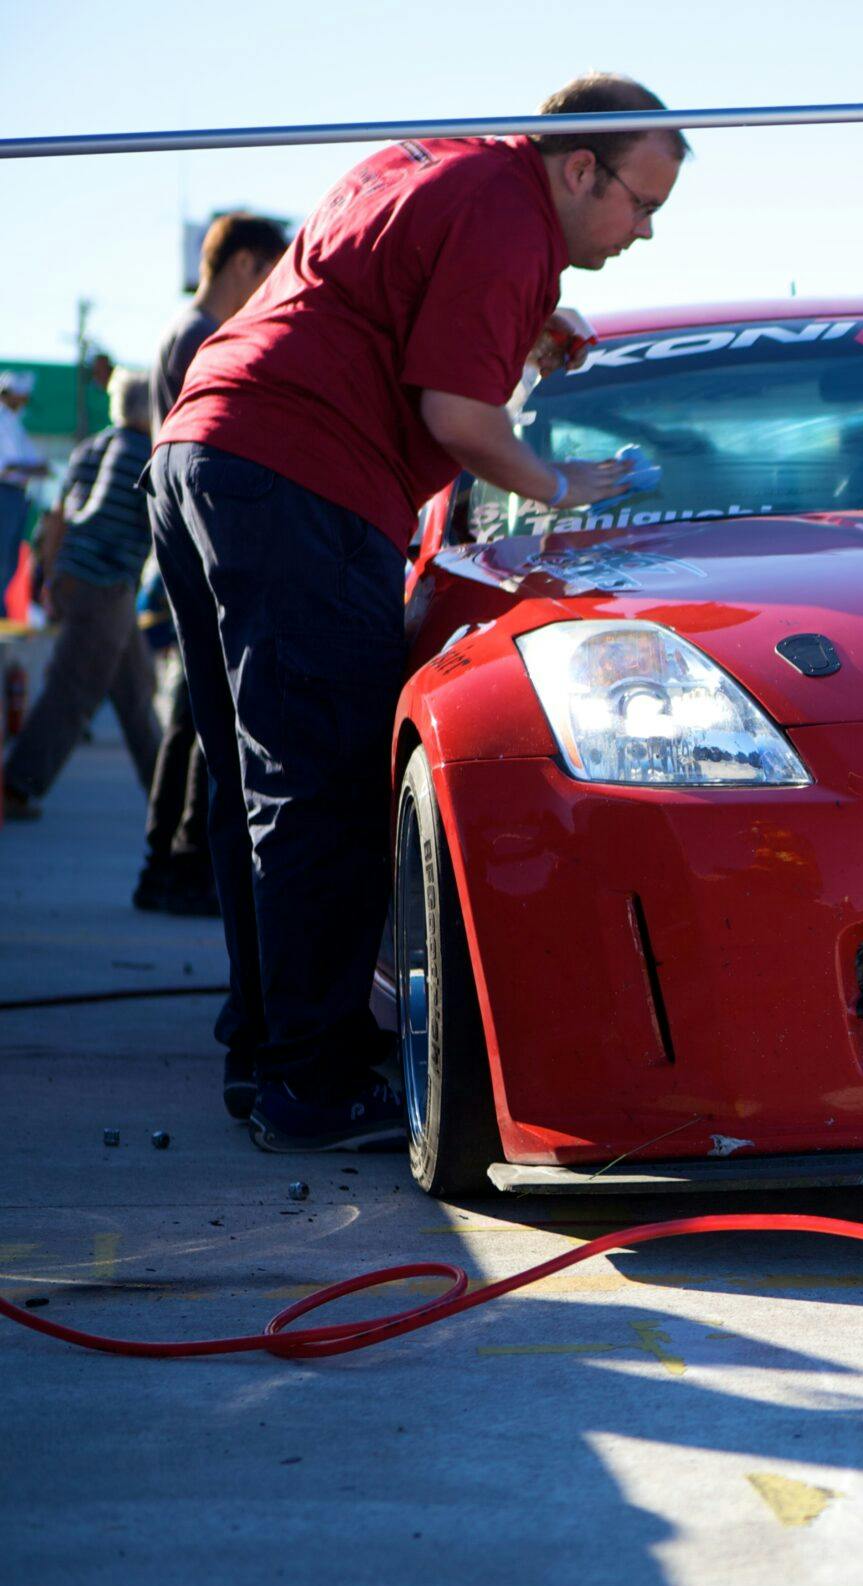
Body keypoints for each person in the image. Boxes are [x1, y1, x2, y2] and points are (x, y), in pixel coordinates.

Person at [148, 74, 682, 1152]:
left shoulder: (432, 160)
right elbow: (457, 416)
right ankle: (318, 1084)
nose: (645, 232)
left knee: (265, 785)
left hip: (203, 453)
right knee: (328, 789)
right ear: (581, 165)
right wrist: (559, 484)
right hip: (301, 475)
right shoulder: (510, 211)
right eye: (642, 202)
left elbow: (375, 305)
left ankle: (270, 1055)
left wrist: (517, 322)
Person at [135, 213, 290, 912]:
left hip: (177, 525)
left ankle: (165, 856)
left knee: (192, 710)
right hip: (204, 530)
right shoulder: (205, 336)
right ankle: (189, 857)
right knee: (216, 712)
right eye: (272, 274)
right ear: (246, 266)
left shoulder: (179, 329)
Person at [0, 370, 162, 814]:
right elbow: (145, 519)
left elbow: (56, 515)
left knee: (135, 694)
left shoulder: (92, 447)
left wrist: (53, 577)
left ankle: (169, 796)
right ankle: (16, 787)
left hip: (81, 579)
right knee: (73, 692)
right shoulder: (140, 453)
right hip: (106, 585)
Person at [0, 372, 47, 584]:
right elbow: (8, 466)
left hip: (15, 495)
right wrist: (32, 468)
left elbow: (35, 464)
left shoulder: (14, 423)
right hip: (6, 493)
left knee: (10, 559)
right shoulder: (4, 422)